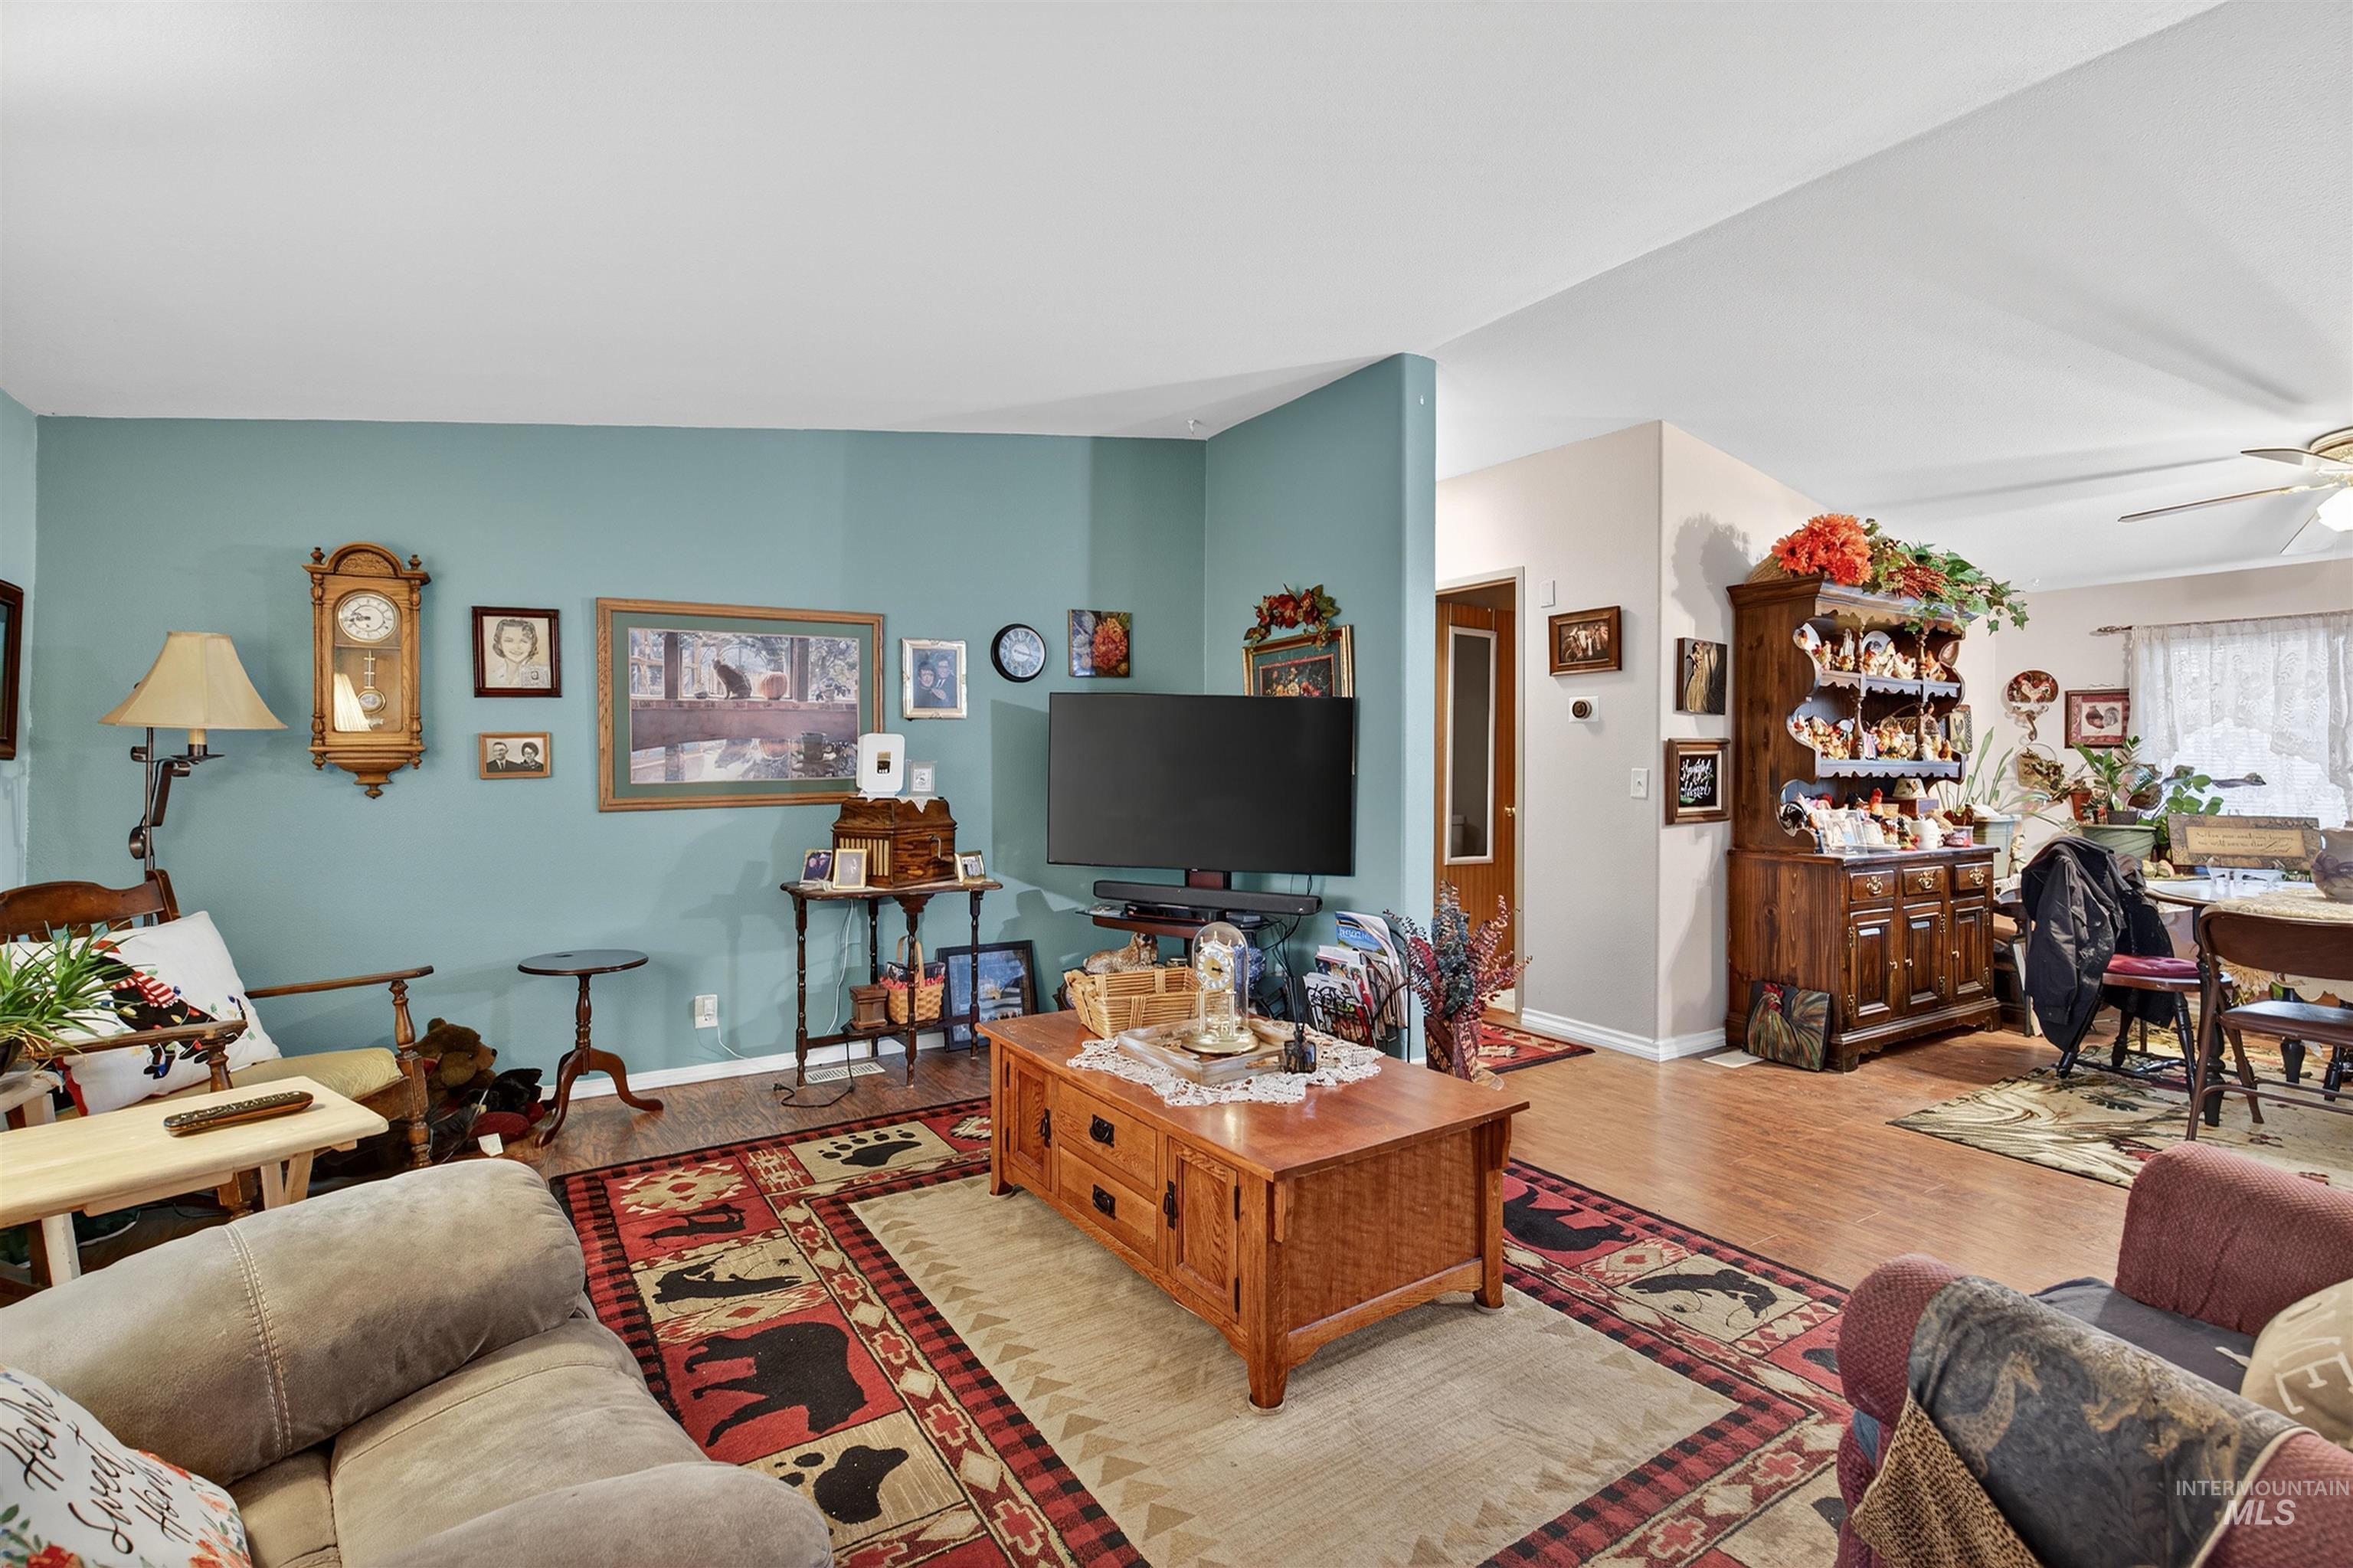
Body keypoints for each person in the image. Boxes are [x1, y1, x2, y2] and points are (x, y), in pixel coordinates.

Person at [486, 617, 549, 689]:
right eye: (509, 641)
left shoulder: (540, 674)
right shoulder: (493, 676)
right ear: (499, 644)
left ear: (532, 645)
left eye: (523, 641)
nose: (517, 647)